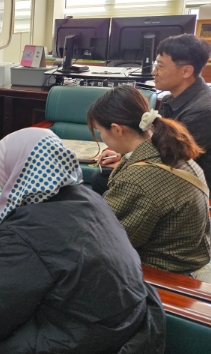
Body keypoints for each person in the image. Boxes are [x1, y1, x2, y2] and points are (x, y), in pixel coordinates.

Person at [0, 128, 165, 353]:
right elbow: (41, 243)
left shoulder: (26, 231)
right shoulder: (86, 198)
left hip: (79, 339)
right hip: (126, 325)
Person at [87, 85, 210, 274]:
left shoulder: (138, 181)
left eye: (100, 131)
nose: (101, 137)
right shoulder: (168, 150)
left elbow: (107, 241)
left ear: (117, 129)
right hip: (186, 254)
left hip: (162, 270)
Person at [92, 34, 211, 194]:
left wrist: (128, 161)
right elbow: (154, 142)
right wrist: (123, 154)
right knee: (101, 177)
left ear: (186, 71)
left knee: (104, 182)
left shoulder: (203, 111)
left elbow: (173, 157)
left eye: (160, 67)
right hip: (165, 170)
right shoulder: (169, 100)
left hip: (184, 186)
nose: (154, 72)